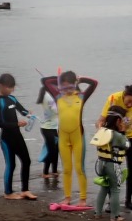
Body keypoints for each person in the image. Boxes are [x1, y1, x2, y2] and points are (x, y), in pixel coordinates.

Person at [42, 71, 99, 208]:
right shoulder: (58, 96)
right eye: (65, 87)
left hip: (78, 137)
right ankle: (67, 198)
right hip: (63, 138)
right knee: (67, 169)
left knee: (80, 169)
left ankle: (83, 199)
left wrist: (81, 79)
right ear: (61, 86)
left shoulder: (81, 96)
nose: (68, 90)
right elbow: (45, 81)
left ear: (75, 85)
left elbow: (94, 83)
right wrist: (59, 80)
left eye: (71, 87)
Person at [98, 84, 132, 210]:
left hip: (130, 137)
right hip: (114, 138)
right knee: (112, 170)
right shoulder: (114, 98)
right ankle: (111, 202)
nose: (130, 105)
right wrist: (101, 132)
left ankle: (128, 201)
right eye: (129, 101)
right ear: (125, 95)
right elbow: (101, 120)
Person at [0, 73, 36, 201]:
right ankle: (8, 193)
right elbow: (0, 124)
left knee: (26, 161)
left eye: (12, 87)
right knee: (11, 165)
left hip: (17, 136)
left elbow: (22, 110)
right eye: (9, 87)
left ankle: (25, 190)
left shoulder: (12, 98)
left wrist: (29, 114)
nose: (11, 90)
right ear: (0, 86)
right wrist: (17, 124)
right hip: (6, 139)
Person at [92, 106, 129, 221]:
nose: (124, 123)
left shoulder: (102, 131)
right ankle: (115, 216)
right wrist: (123, 131)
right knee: (115, 189)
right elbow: (127, 145)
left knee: (104, 188)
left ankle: (97, 213)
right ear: (118, 121)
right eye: (123, 120)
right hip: (112, 165)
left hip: (100, 164)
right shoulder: (117, 135)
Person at [35, 81, 59, 179]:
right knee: (51, 150)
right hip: (48, 128)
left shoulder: (46, 94)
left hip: (51, 127)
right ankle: (45, 172)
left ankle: (54, 171)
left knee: (56, 149)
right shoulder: (49, 97)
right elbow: (57, 111)